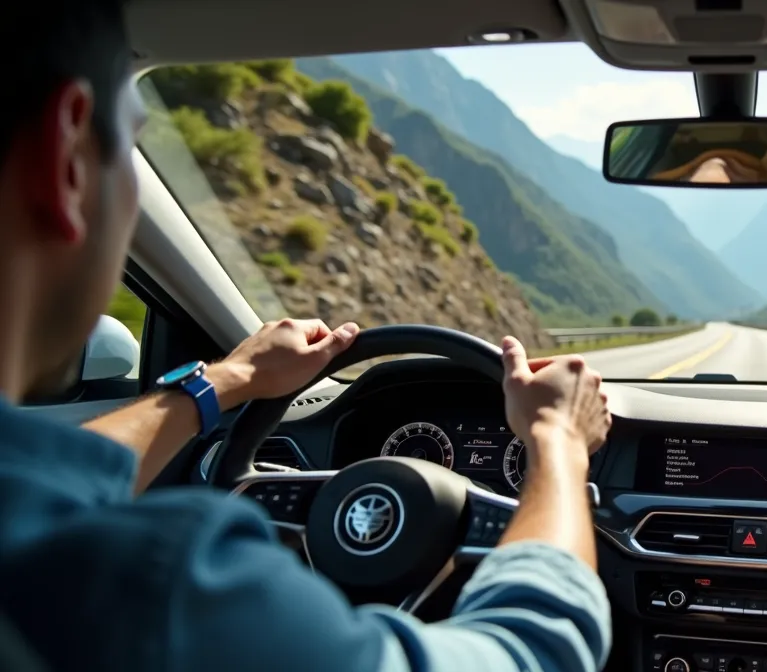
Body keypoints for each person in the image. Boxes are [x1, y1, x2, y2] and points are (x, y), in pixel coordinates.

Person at [0, 1, 612, 670]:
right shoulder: (157, 590)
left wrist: (233, 378)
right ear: (67, 156)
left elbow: (51, 481)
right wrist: (556, 442)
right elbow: (538, 650)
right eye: (133, 138)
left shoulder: (34, 524)